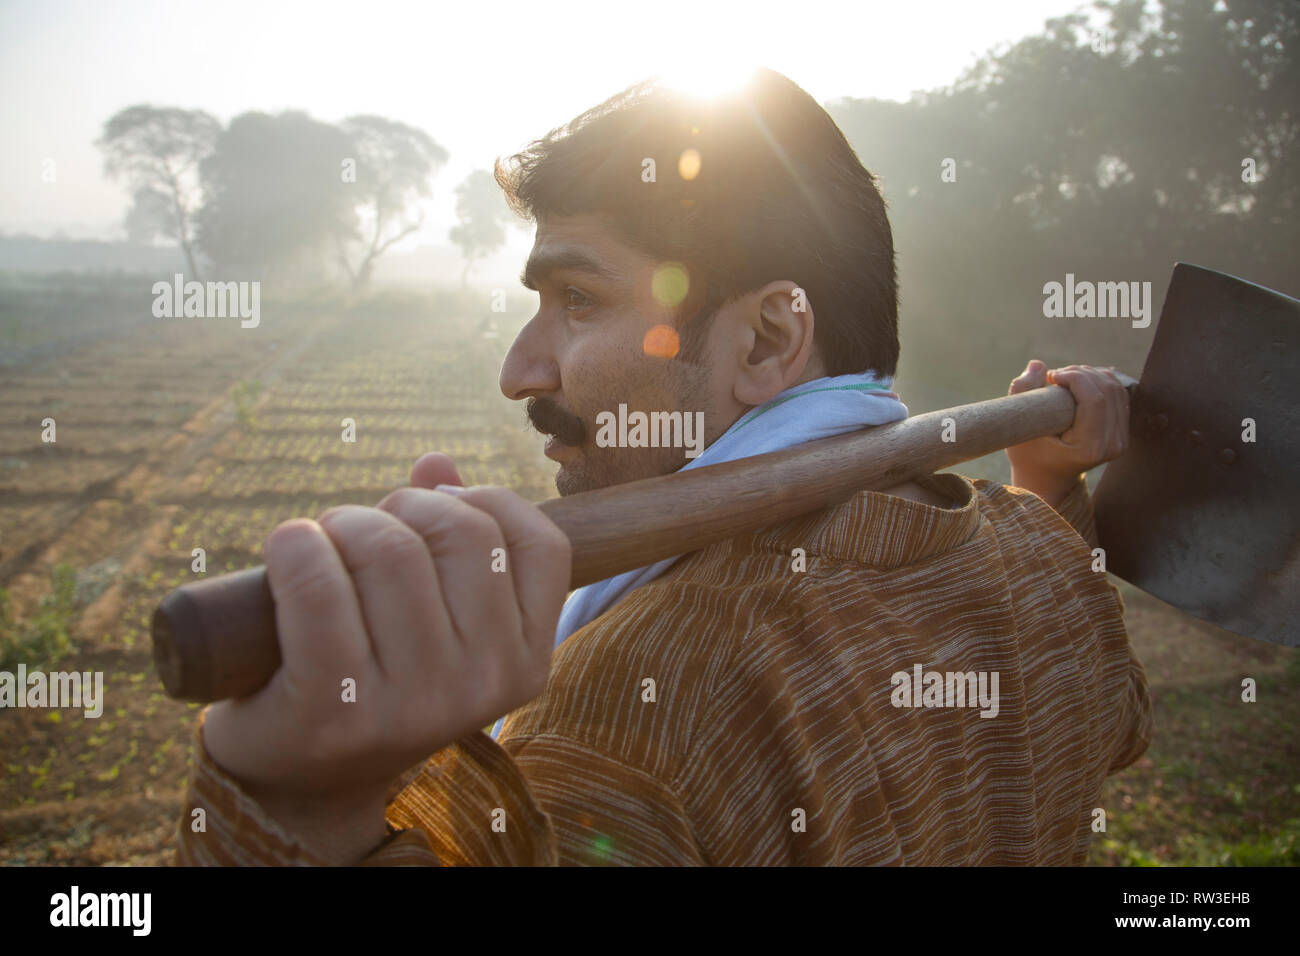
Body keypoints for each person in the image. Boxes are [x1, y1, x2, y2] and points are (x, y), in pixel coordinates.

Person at [176, 69, 1150, 866]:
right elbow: (1108, 717)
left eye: (577, 297)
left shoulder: (622, 706)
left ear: (767, 338)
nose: (519, 369)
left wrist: (288, 811)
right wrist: (1048, 487)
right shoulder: (1036, 563)